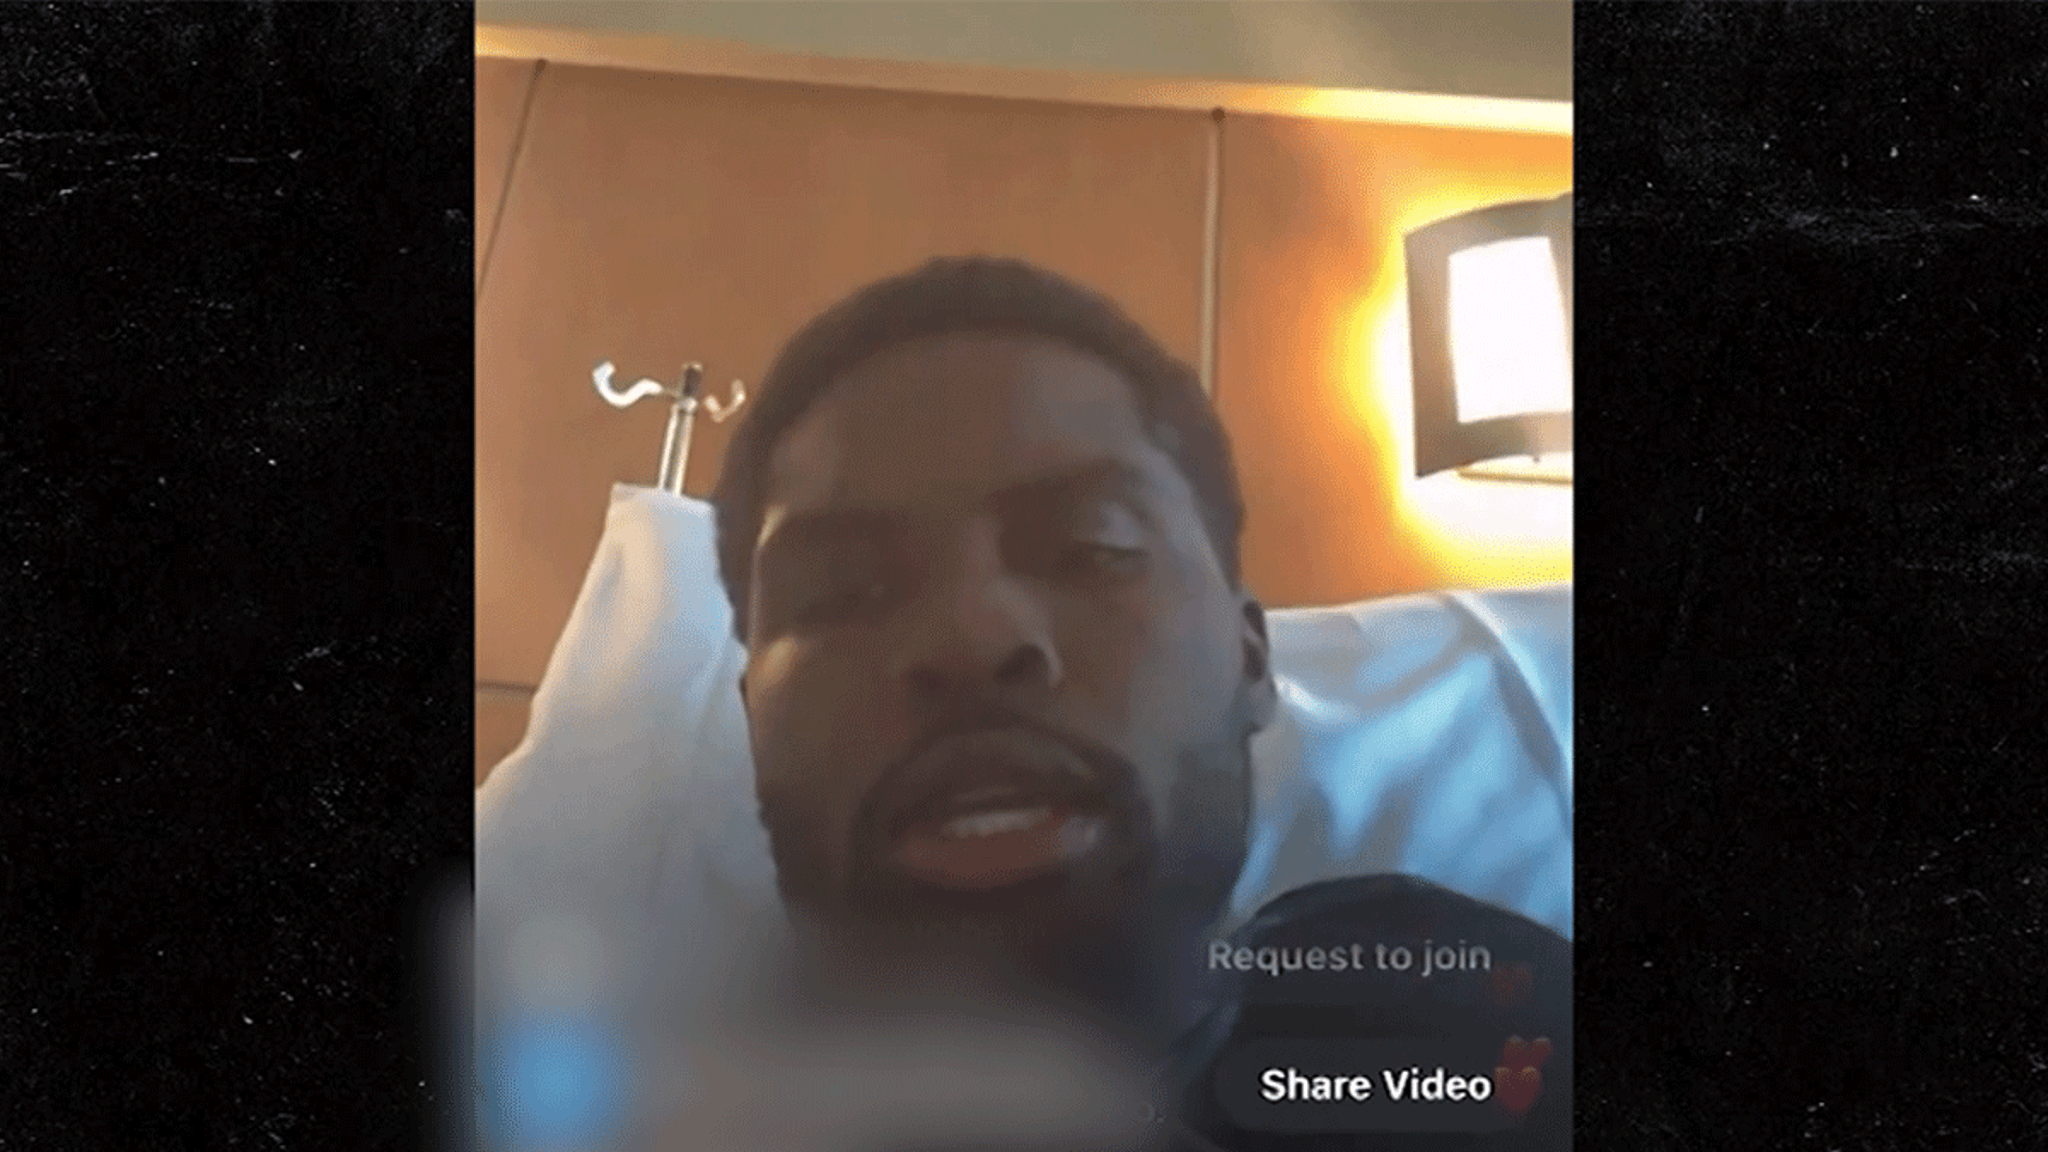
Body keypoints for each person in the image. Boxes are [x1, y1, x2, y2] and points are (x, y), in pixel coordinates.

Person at [706, 257, 1571, 1150]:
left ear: (1250, 659)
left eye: (1094, 546)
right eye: (844, 591)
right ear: (751, 721)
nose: (971, 637)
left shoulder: (1462, 1007)